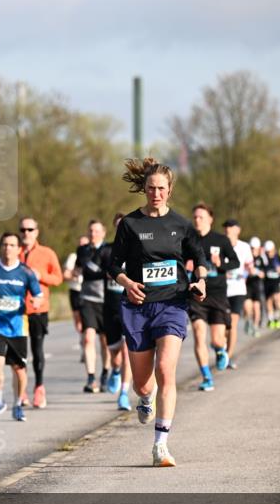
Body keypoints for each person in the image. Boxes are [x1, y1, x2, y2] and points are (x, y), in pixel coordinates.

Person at [108, 158, 207, 467]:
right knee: (143, 383)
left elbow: (198, 256)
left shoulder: (181, 225)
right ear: (145, 190)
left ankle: (160, 444)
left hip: (172, 304)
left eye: (161, 188)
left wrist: (200, 279)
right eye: (150, 188)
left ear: (170, 189)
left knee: (165, 369)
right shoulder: (131, 224)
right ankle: (146, 398)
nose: (155, 193)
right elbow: (112, 264)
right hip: (138, 307)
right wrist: (125, 281)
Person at [0, 232, 43, 422]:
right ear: (0, 247)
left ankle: (18, 404)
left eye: (12, 245)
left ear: (19, 249)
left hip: (18, 327)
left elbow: (38, 295)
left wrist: (36, 303)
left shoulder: (26, 272)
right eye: (5, 245)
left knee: (19, 370)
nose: (8, 248)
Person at [188, 204, 240, 390]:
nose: (197, 220)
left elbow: (235, 262)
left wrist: (220, 265)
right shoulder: (188, 240)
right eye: (195, 217)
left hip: (217, 294)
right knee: (198, 333)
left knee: (217, 340)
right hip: (197, 295)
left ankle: (219, 350)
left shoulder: (221, 240)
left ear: (210, 219)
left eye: (201, 217)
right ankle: (206, 377)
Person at [18, 217, 62, 409]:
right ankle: (21, 391)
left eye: (30, 229)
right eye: (23, 230)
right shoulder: (13, 252)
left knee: (37, 350)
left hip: (38, 309)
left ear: (36, 232)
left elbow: (58, 278)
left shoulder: (47, 253)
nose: (26, 233)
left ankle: (39, 388)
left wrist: (40, 276)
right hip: (16, 310)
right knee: (18, 352)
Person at [76, 220, 110, 393]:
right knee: (88, 337)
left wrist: (97, 272)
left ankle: (105, 373)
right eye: (90, 231)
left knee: (105, 341)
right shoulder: (82, 250)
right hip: (87, 299)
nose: (93, 234)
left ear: (103, 232)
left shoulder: (109, 250)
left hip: (106, 299)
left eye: (97, 231)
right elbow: (80, 270)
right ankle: (91, 378)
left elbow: (109, 272)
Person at [104, 213, 133, 411]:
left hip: (129, 305)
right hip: (109, 306)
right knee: (115, 354)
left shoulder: (138, 248)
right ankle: (115, 370)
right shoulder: (107, 251)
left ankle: (124, 393)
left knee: (126, 349)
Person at [222, 219, 252, 369]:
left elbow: (249, 265)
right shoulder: (219, 245)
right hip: (222, 289)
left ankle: (228, 355)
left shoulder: (245, 247)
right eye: (226, 227)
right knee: (223, 325)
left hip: (238, 290)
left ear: (237, 230)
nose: (228, 229)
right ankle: (223, 349)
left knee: (232, 324)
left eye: (231, 227)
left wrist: (248, 272)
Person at [62, 236, 88, 362]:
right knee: (78, 324)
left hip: (88, 292)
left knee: (87, 323)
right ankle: (82, 339)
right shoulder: (73, 257)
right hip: (75, 291)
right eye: (80, 243)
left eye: (84, 243)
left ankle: (86, 344)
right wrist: (74, 275)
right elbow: (65, 275)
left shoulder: (92, 255)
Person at [245, 237, 267, 336]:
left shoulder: (261, 259)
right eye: (252, 248)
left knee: (256, 307)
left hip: (257, 286)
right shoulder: (247, 257)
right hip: (247, 285)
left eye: (255, 248)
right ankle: (248, 321)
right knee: (247, 307)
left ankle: (255, 326)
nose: (254, 250)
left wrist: (257, 272)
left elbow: (263, 273)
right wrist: (248, 272)